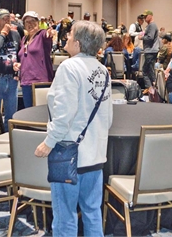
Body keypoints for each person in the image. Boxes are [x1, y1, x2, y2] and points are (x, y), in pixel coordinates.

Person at [34, 20, 113, 236]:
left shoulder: (69, 67)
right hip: (96, 155)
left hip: (69, 154)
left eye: (69, 34)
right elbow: (108, 118)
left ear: (78, 43)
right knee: (92, 212)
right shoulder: (102, 70)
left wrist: (49, 142)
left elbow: (64, 114)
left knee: (65, 215)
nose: (66, 37)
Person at [0, 9, 21, 127]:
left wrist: (19, 66)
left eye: (8, 18)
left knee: (11, 113)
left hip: (12, 79)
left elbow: (19, 54)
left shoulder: (15, 35)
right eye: (4, 19)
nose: (7, 21)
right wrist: (3, 34)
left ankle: (8, 135)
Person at [16, 11, 55, 108]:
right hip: (26, 82)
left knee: (41, 113)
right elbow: (26, 57)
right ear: (24, 25)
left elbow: (47, 35)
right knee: (29, 112)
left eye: (33, 21)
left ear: (38, 22)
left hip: (40, 82)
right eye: (27, 22)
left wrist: (50, 32)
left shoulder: (41, 35)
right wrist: (19, 65)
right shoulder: (24, 39)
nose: (30, 24)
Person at [138, 9, 159, 89]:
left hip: (150, 51)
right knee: (150, 71)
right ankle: (154, 88)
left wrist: (141, 37)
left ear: (150, 16)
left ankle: (151, 89)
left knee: (145, 71)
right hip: (151, 51)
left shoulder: (152, 25)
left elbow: (150, 37)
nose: (144, 18)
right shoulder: (151, 25)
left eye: (146, 16)